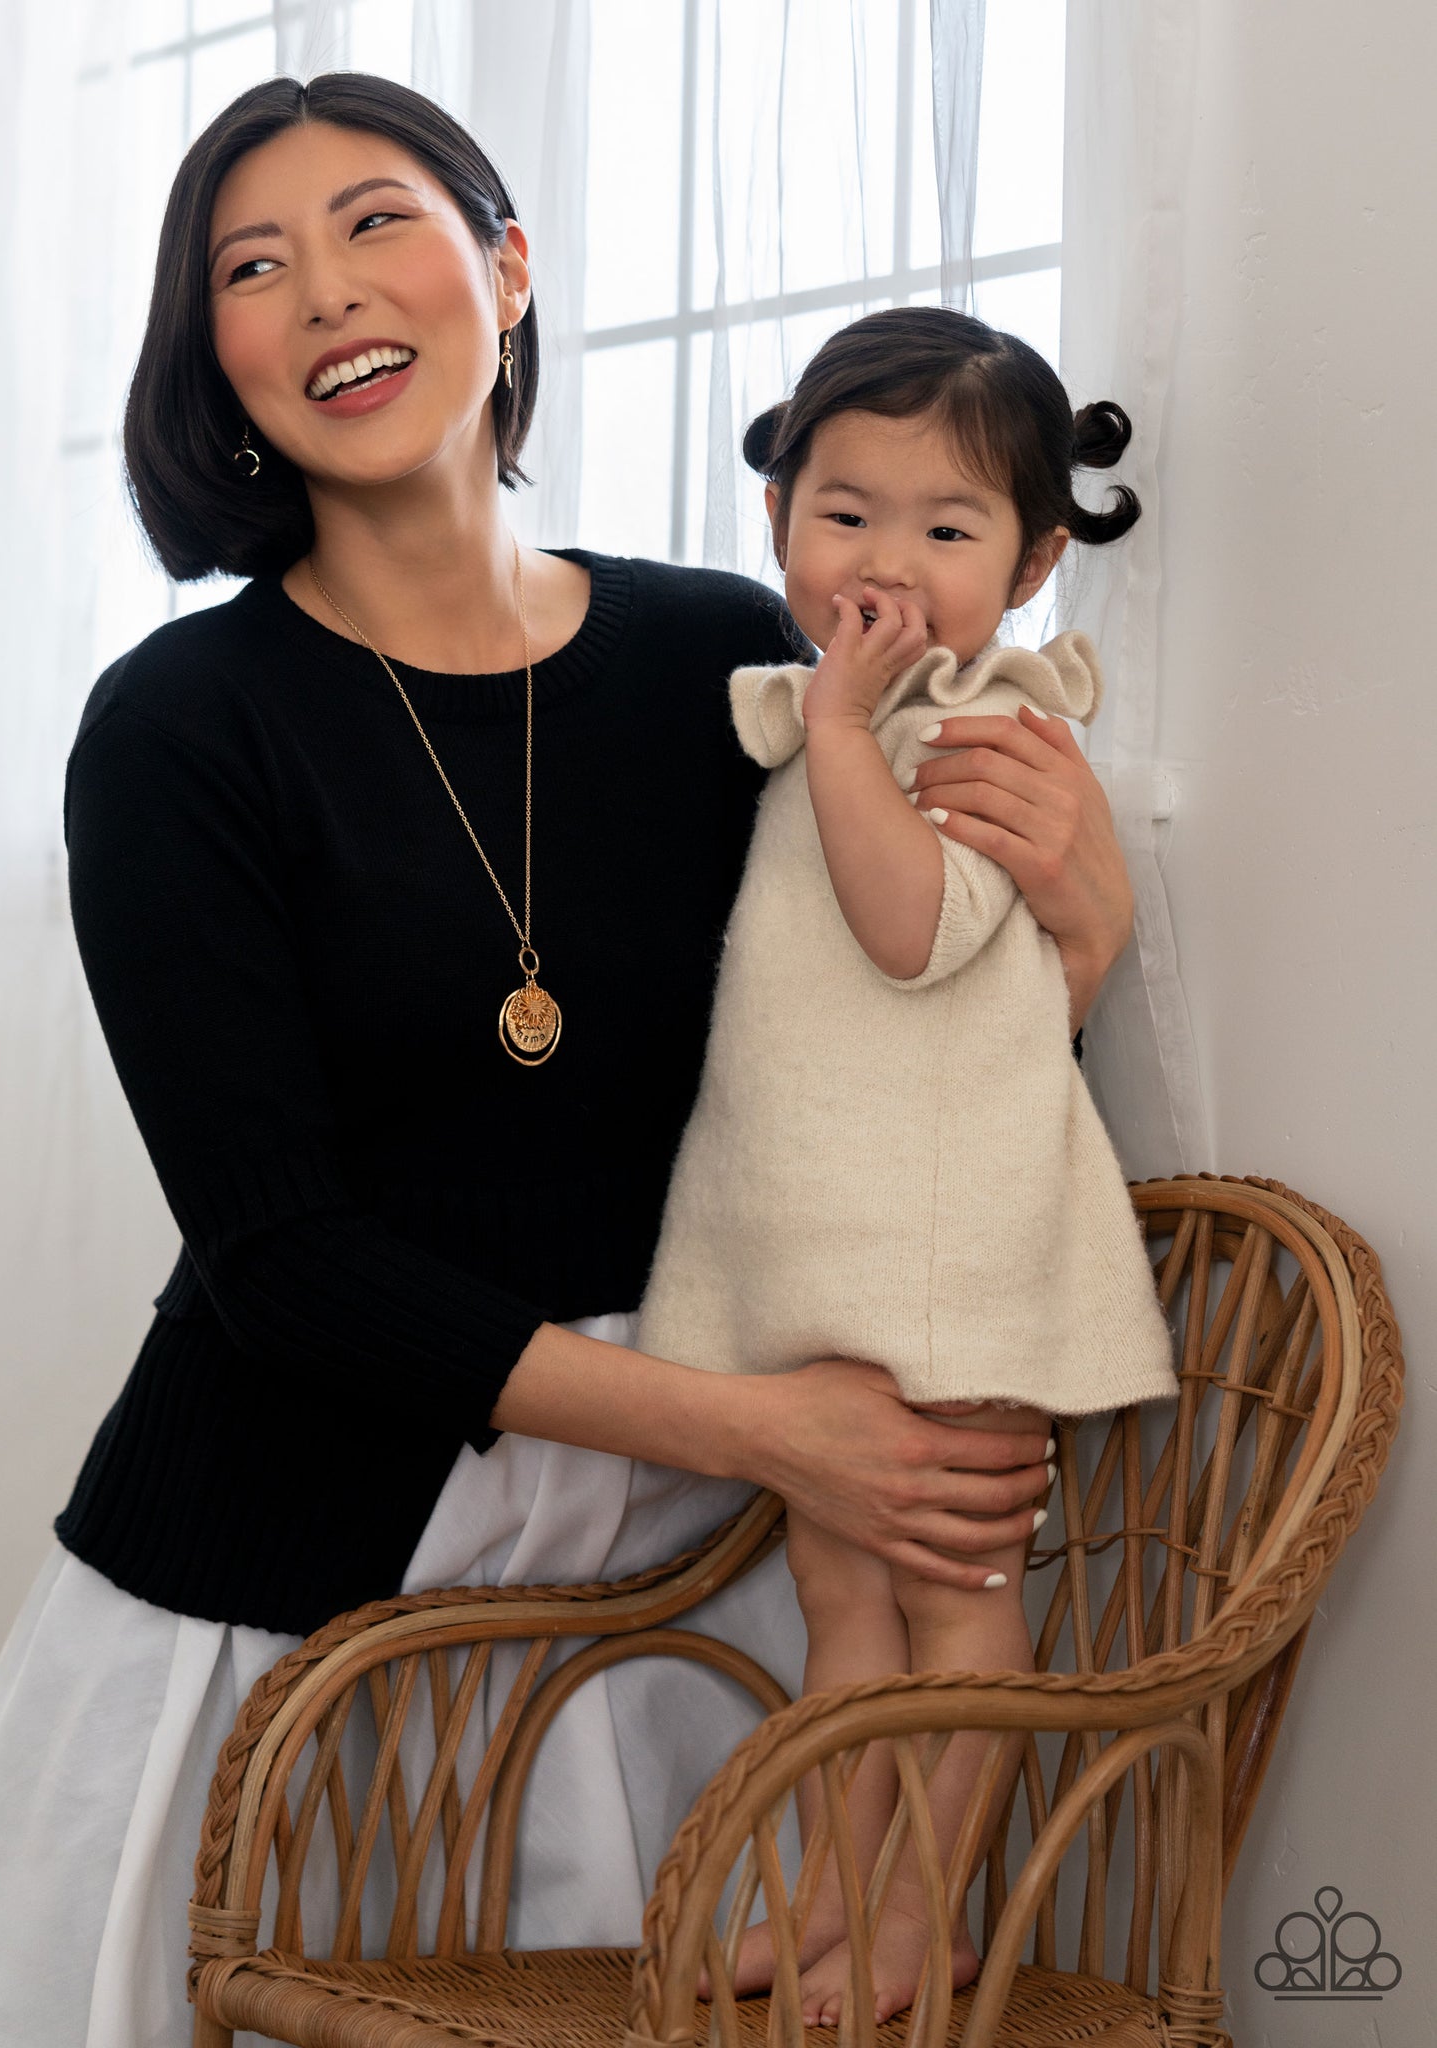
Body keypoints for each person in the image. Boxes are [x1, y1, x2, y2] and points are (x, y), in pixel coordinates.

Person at [0, 77, 1134, 2047]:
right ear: (216, 358)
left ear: (509, 271)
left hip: (687, 1601)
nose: (325, 291)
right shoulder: (179, 727)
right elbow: (279, 1260)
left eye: (376, 222)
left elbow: (893, 1051)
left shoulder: (732, 663)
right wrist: (765, 1432)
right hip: (293, 1602)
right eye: (251, 266)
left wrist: (1087, 931)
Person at [636, 307, 1177, 2026]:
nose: (883, 562)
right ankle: (827, 1901)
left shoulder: (979, 723)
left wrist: (844, 732)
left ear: (1029, 563)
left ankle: (924, 1915)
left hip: (955, 1234)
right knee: (837, 1590)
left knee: (954, 1594)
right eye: (843, 513)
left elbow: (911, 932)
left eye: (944, 528)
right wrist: (838, 724)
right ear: (777, 521)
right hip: (840, 1234)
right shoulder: (846, 713)